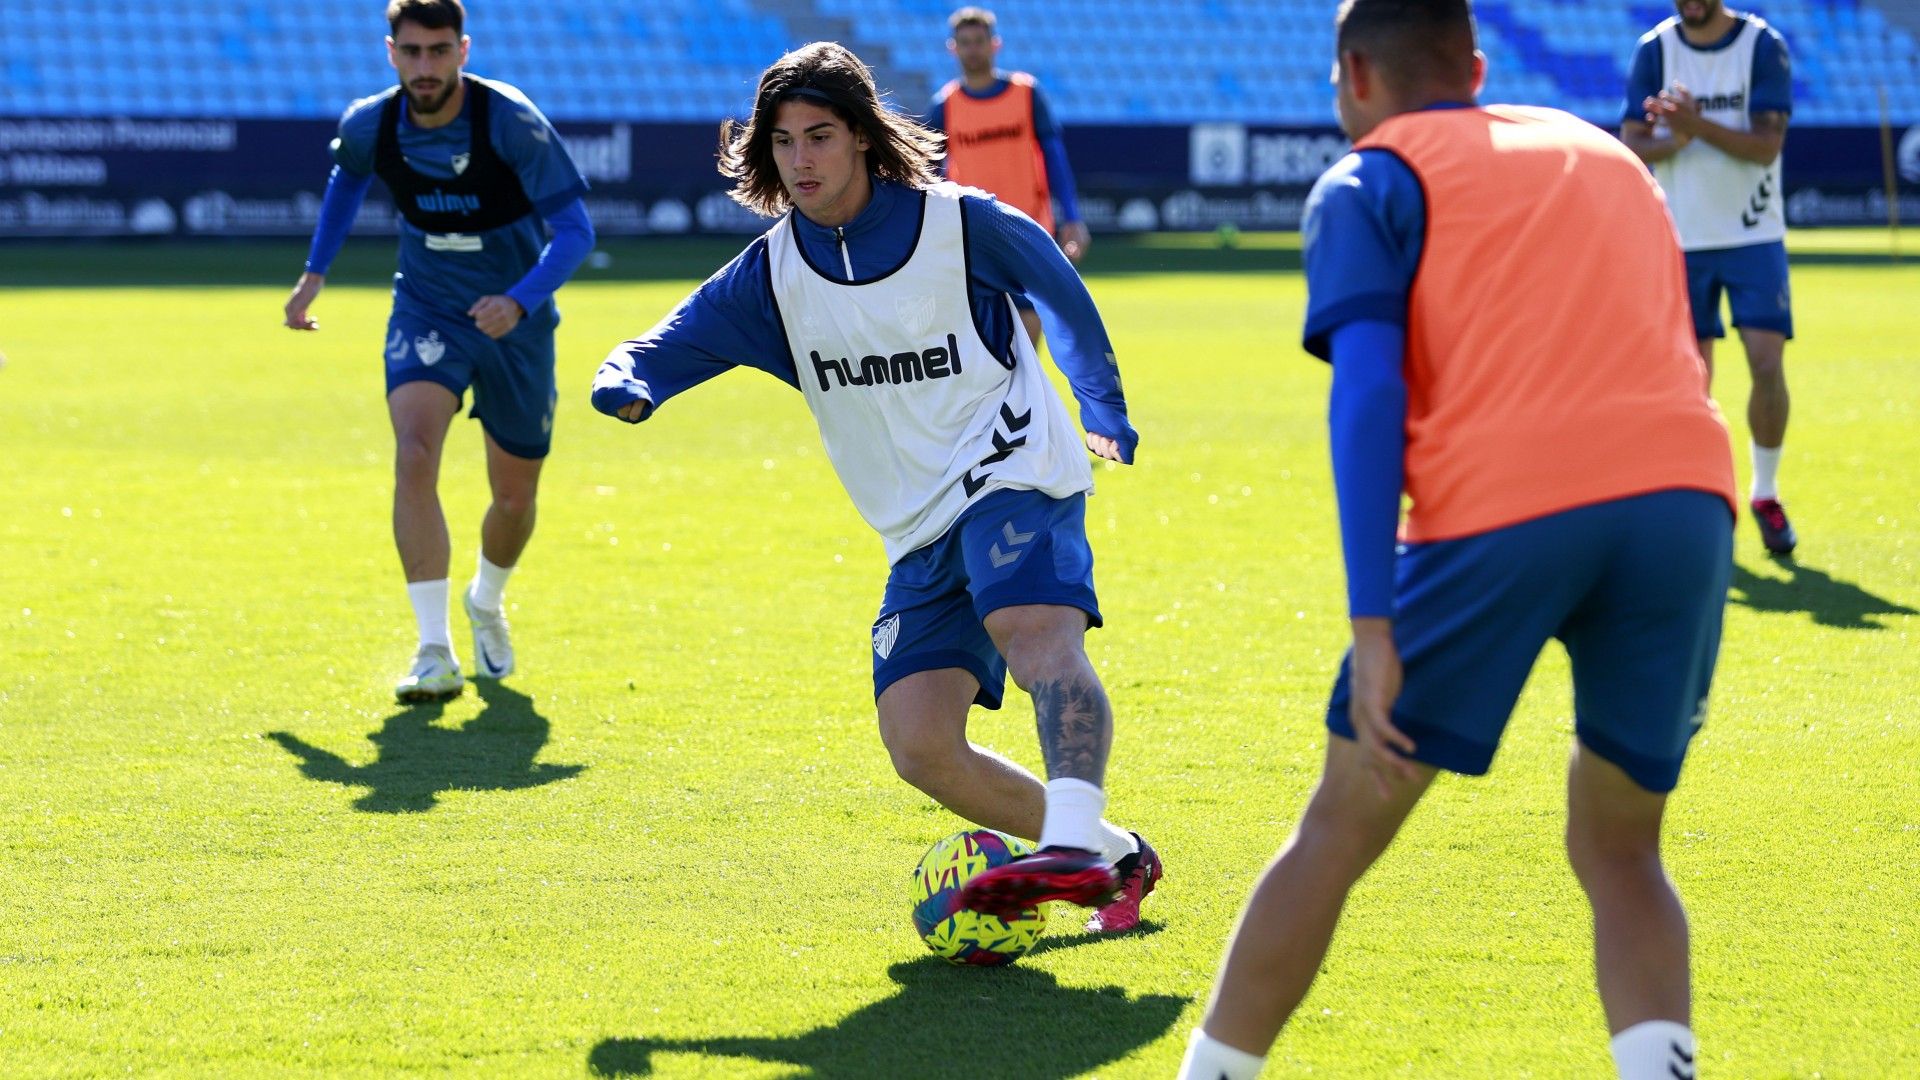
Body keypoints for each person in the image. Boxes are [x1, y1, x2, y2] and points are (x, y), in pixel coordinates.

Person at [1177, 3, 1737, 1078]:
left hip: (1503, 514)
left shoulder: (1368, 178)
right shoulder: (1605, 156)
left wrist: (1371, 619)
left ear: (1352, 76)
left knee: (1341, 827)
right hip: (1684, 502)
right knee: (1622, 847)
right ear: (1475, 67)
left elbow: (1370, 396)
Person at [591, 41, 1163, 933]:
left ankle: (1069, 842)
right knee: (920, 744)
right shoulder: (771, 274)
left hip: (1011, 464)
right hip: (914, 524)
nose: (801, 161)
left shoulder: (962, 224)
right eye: (782, 143)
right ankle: (1112, 855)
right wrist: (629, 378)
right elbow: (666, 341)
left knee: (1031, 633)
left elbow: (1059, 288)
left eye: (820, 136)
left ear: (862, 137)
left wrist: (1102, 405)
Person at [283, 0, 595, 701]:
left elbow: (575, 231)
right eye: (412, 51)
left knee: (513, 500)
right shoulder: (371, 123)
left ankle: (485, 601)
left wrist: (518, 298)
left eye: (439, 50)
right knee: (414, 452)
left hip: (515, 321)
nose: (426, 66)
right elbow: (346, 180)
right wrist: (314, 273)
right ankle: (432, 651)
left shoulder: (508, 120)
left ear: (463, 49)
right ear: (390, 51)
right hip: (426, 306)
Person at [1622, 0, 1797, 556]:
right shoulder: (1655, 48)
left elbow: (1766, 146)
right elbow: (1631, 143)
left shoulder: (1761, 44)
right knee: (1689, 384)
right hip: (1680, 237)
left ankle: (1765, 494)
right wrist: (1674, 141)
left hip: (1753, 235)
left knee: (1766, 365)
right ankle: (1702, 500)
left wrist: (1693, 125)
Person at [928, 6, 1092, 347]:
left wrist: (1072, 217)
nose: (973, 49)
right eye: (965, 42)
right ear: (953, 48)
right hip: (974, 234)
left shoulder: (1026, 93)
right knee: (982, 336)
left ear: (995, 44)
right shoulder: (945, 105)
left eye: (979, 41)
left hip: (1029, 227)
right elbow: (928, 173)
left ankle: (1023, 397)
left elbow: (1054, 157)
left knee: (1030, 329)